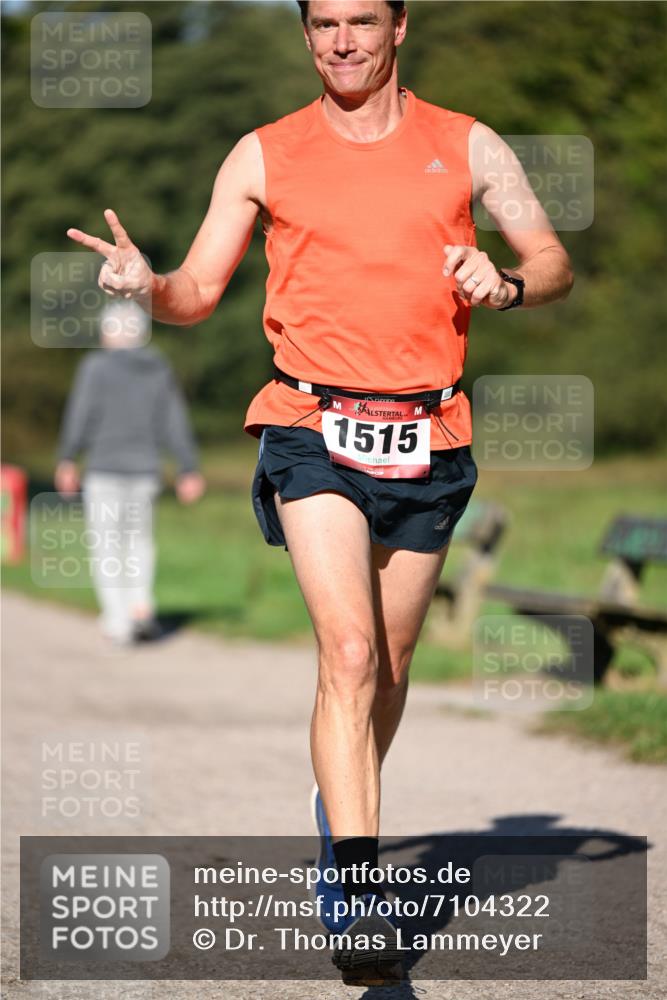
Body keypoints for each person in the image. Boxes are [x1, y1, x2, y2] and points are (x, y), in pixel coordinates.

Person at [65, 0, 573, 982]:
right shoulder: (262, 153)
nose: (342, 41)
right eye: (323, 23)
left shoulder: (469, 145)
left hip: (430, 431)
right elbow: (198, 291)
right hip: (310, 425)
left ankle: (341, 801)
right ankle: (356, 883)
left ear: (399, 27)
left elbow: (551, 263)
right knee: (345, 648)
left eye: (361, 21)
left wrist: (501, 282)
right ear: (306, 34)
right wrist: (148, 282)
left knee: (387, 660)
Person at [55, 300, 205, 646]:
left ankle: (119, 620)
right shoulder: (158, 367)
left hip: (104, 471)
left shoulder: (95, 367)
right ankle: (140, 605)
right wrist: (188, 467)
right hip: (144, 471)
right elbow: (174, 420)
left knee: (108, 544)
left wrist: (66, 458)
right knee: (138, 541)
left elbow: (79, 415)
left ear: (110, 333)